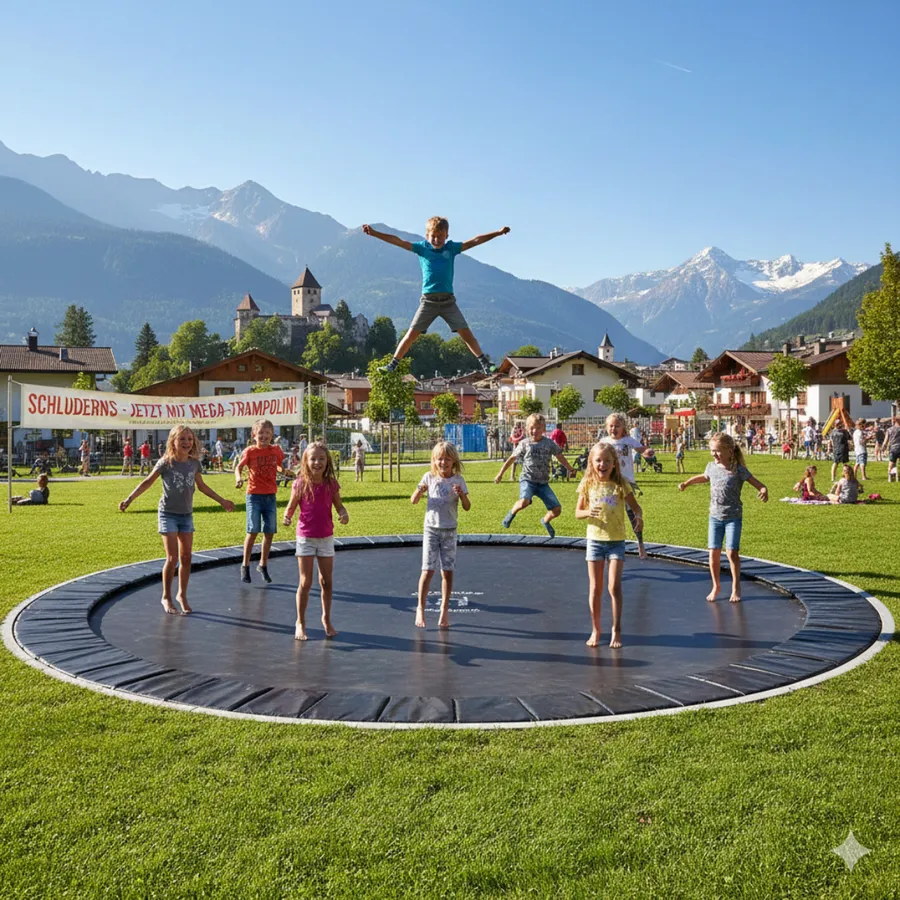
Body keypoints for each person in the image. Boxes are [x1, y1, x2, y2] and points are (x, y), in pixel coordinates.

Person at [363, 217, 510, 375]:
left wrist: (498, 233)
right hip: (428, 302)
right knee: (411, 335)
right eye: (433, 236)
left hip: (448, 303)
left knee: (467, 334)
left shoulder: (451, 249)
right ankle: (392, 365)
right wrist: (375, 233)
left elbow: (475, 240)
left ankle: (485, 363)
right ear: (427, 235)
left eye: (440, 236)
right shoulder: (422, 248)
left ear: (446, 235)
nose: (436, 239)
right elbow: (397, 241)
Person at [119, 425, 234, 615]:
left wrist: (222, 501)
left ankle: (182, 594)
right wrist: (129, 499)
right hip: (168, 514)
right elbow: (147, 481)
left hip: (186, 515)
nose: (186, 443)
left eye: (189, 439)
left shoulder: (194, 463)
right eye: (182, 439)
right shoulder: (166, 463)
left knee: (187, 557)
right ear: (173, 441)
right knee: (172, 558)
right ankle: (166, 596)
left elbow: (203, 487)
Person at [678, 432, 768, 603]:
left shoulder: (739, 470)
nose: (714, 454)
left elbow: (759, 485)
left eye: (718, 451)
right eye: (712, 451)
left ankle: (736, 587)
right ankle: (716, 586)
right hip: (715, 517)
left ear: (729, 451)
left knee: (731, 552)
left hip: (733, 517)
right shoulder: (711, 467)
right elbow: (703, 478)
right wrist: (687, 483)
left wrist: (763, 491)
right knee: (713, 555)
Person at [575, 442, 643, 648]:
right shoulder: (587, 484)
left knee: (614, 586)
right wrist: (588, 512)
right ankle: (596, 629)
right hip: (595, 541)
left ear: (614, 464)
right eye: (598, 460)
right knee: (595, 588)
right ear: (591, 462)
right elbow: (578, 512)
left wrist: (639, 517)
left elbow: (636, 508)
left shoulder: (621, 484)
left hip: (616, 542)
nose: (602, 464)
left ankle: (617, 628)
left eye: (607, 461)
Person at [282, 441, 348, 640]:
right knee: (306, 581)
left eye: (321, 459)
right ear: (305, 461)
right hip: (306, 537)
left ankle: (326, 619)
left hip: (326, 537)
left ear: (327, 462)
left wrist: (344, 514)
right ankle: (300, 622)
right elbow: (291, 506)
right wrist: (287, 516)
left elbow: (339, 507)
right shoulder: (300, 483)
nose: (317, 462)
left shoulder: (330, 484)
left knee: (327, 581)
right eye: (313, 459)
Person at [411, 441, 470, 629]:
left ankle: (444, 609)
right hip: (431, 530)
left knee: (447, 572)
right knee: (427, 570)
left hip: (449, 530)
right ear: (434, 461)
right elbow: (413, 501)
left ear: (453, 461)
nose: (443, 462)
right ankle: (421, 607)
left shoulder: (458, 480)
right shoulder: (429, 477)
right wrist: (420, 491)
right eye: (439, 459)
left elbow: (467, 507)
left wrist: (461, 495)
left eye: (447, 459)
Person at [495, 413, 575, 537]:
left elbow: (559, 456)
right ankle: (511, 513)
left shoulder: (549, 443)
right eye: (532, 428)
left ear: (543, 429)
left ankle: (545, 521)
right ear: (527, 429)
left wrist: (570, 468)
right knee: (524, 502)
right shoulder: (524, 443)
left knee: (557, 509)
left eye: (538, 428)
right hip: (528, 480)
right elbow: (512, 458)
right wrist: (500, 474)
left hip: (543, 483)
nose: (534, 431)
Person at [235, 418, 284, 584]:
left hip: (270, 496)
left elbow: (278, 465)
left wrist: (285, 470)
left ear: (272, 435)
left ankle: (263, 564)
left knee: (269, 532)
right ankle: (245, 565)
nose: (264, 436)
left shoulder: (276, 450)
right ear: (254, 434)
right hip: (254, 495)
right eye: (261, 433)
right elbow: (238, 467)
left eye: (268, 433)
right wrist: (238, 478)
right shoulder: (250, 452)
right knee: (252, 531)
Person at [601, 413, 655, 559]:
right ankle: (608, 544)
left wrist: (647, 452)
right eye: (611, 426)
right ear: (607, 427)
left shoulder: (628, 440)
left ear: (623, 427)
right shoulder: (604, 442)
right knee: (609, 513)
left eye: (617, 426)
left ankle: (640, 543)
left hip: (626, 483)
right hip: (610, 484)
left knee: (632, 513)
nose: (613, 429)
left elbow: (640, 449)